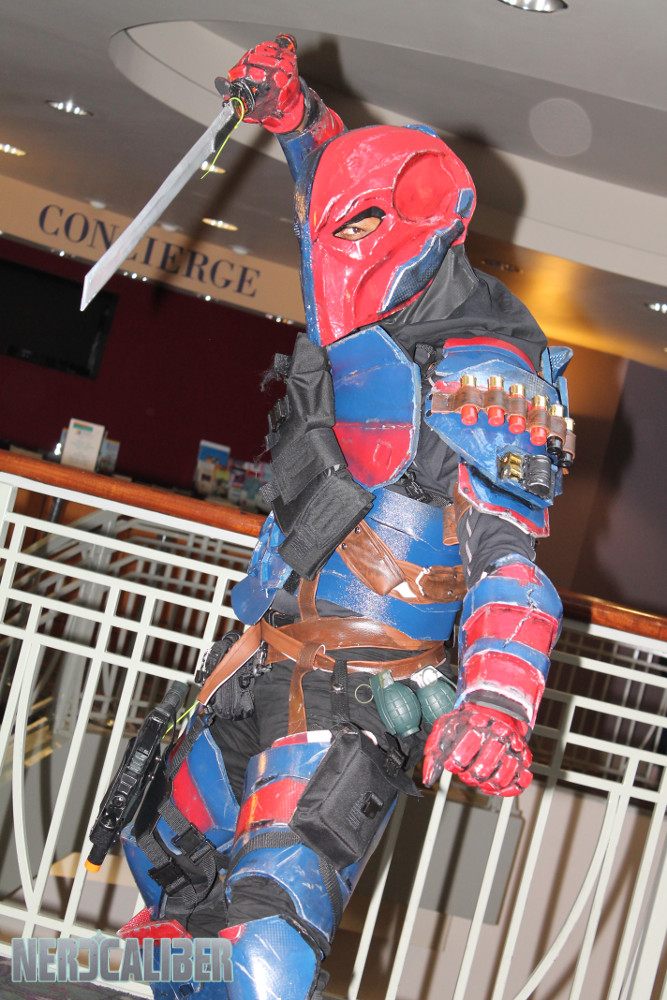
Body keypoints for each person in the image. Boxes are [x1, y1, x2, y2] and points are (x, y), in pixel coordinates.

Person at [118, 35, 575, 1000]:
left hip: (358, 698)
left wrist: (497, 701)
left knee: (266, 932)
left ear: (429, 226)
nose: (334, 251)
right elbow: (328, 200)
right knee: (164, 865)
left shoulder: (487, 371)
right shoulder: (365, 311)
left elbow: (510, 561)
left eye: (364, 229)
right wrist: (295, 118)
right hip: (260, 662)